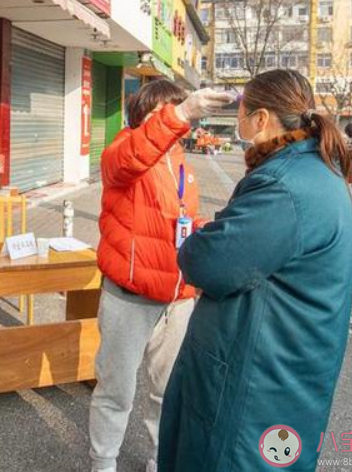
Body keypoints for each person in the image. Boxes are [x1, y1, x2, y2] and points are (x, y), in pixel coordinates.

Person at [159, 69, 352, 471]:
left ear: (262, 118)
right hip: (284, 371)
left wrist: (201, 239)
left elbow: (209, 263)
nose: (238, 119)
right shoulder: (314, 172)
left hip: (256, 385)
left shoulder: (285, 186)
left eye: (243, 110)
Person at [90, 81, 233, 472]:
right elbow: (133, 157)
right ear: (141, 117)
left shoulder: (180, 161)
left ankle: (160, 458)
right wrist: (182, 113)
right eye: (162, 113)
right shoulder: (122, 152)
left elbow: (176, 224)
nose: (170, 121)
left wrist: (204, 231)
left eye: (176, 111)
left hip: (177, 298)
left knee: (167, 392)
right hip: (129, 298)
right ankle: (103, 464)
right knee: (116, 390)